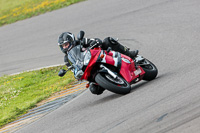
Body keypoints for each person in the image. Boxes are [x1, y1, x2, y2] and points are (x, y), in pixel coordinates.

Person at [58, 31, 138, 95]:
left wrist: (95, 42)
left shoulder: (81, 41)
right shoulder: (67, 59)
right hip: (89, 69)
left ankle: (129, 54)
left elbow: (96, 40)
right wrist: (76, 73)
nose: (65, 47)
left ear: (72, 41)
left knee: (108, 41)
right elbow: (74, 69)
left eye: (66, 44)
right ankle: (110, 82)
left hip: (98, 56)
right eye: (63, 46)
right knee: (94, 89)